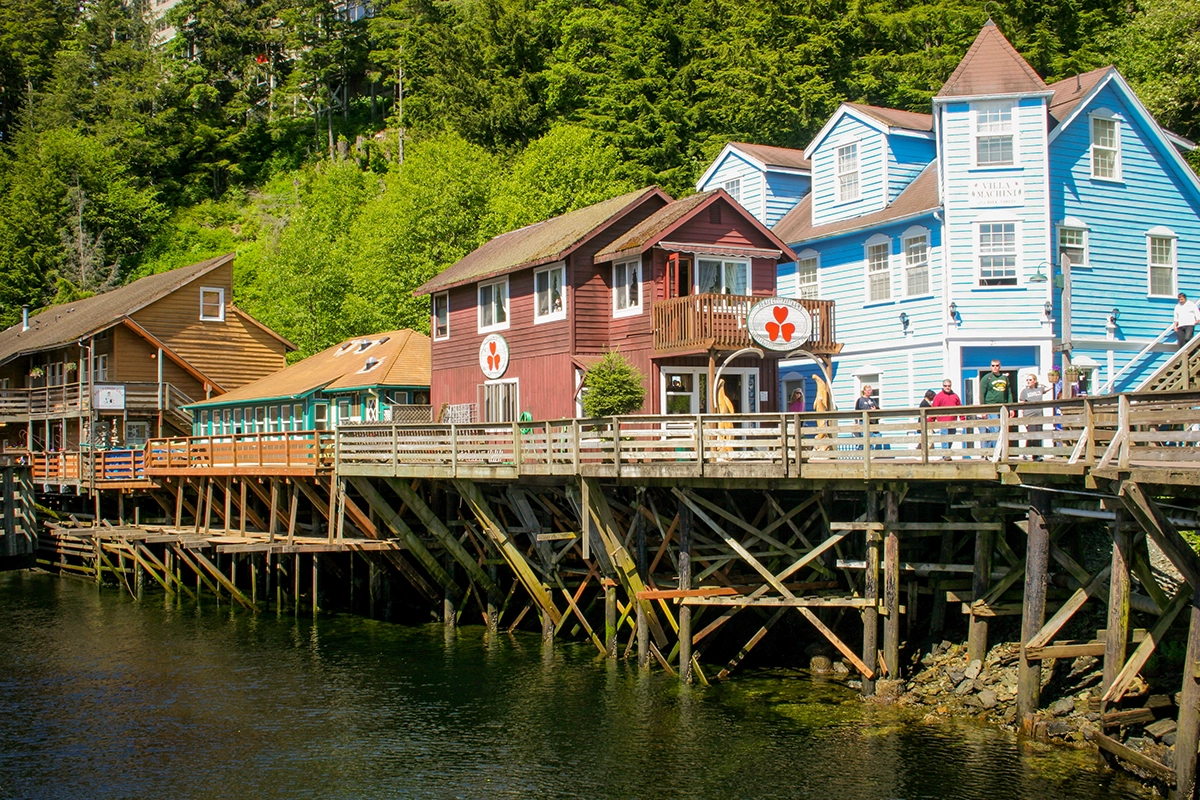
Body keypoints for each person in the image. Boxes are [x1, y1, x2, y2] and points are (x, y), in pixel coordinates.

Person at [981, 359, 1016, 451]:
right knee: (995, 429)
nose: (995, 367)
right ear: (990, 366)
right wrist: (983, 410)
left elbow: (1008, 393)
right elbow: (981, 394)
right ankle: (994, 452)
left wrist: (1011, 408)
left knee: (1002, 429)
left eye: (997, 365)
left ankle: (999, 451)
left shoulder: (1004, 378)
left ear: (1000, 366)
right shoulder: (986, 378)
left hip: (1003, 407)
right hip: (991, 407)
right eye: (993, 365)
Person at [1019, 373, 1050, 459]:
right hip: (1029, 416)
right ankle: (1029, 453)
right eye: (1027, 380)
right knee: (1031, 435)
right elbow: (1022, 404)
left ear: (1035, 381)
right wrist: (1022, 416)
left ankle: (1035, 455)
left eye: (1030, 380)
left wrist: (1041, 385)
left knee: (1038, 435)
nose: (1028, 381)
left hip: (1039, 415)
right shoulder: (1025, 391)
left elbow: (1050, 387)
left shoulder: (1039, 389)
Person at [931, 379, 962, 455]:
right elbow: (933, 409)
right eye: (945, 386)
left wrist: (962, 419)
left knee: (951, 438)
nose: (947, 387)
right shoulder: (938, 396)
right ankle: (946, 455)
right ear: (943, 386)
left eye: (949, 386)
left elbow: (960, 408)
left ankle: (947, 452)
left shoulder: (955, 396)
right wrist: (930, 421)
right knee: (944, 438)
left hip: (952, 421)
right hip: (943, 422)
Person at [855, 384, 878, 450]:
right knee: (865, 437)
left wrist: (875, 410)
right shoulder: (860, 400)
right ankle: (862, 452)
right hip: (863, 421)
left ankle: (870, 453)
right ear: (864, 391)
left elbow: (877, 408)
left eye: (870, 390)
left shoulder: (872, 400)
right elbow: (856, 411)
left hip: (871, 421)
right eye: (868, 390)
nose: (869, 392)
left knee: (872, 437)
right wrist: (857, 422)